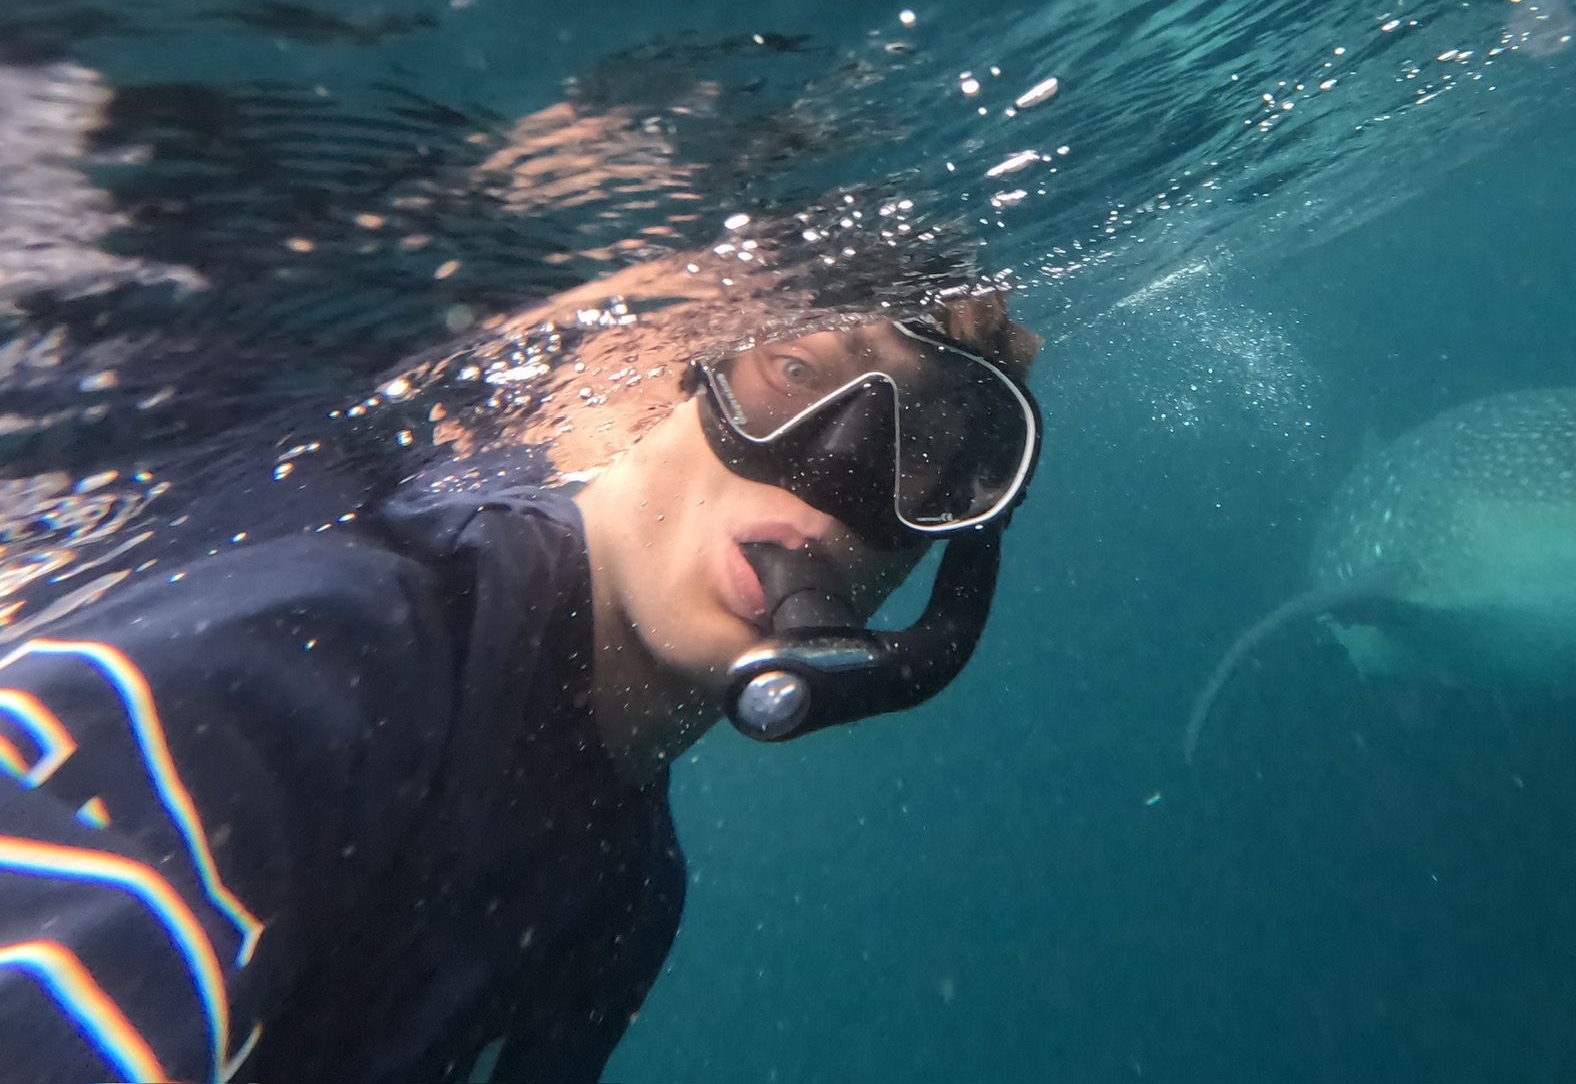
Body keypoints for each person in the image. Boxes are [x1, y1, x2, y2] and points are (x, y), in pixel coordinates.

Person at [0, 283, 1043, 1084]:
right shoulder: (321, 650)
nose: (837, 473)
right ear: (657, 381)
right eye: (790, 371)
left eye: (931, 450)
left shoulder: (629, 892)